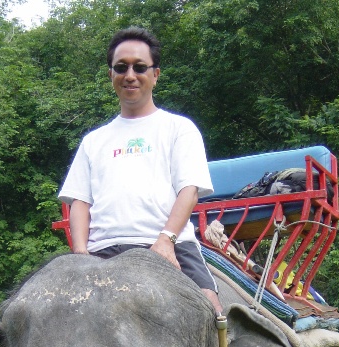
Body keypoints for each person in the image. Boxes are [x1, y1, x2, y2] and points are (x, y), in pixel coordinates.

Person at [58, 26, 222, 313]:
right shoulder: (93, 141)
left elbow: (189, 190)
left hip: (170, 246)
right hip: (103, 251)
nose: (130, 75)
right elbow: (80, 202)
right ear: (111, 75)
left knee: (212, 311)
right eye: (121, 67)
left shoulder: (179, 129)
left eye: (140, 67)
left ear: (155, 74)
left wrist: (166, 241)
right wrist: (81, 254)